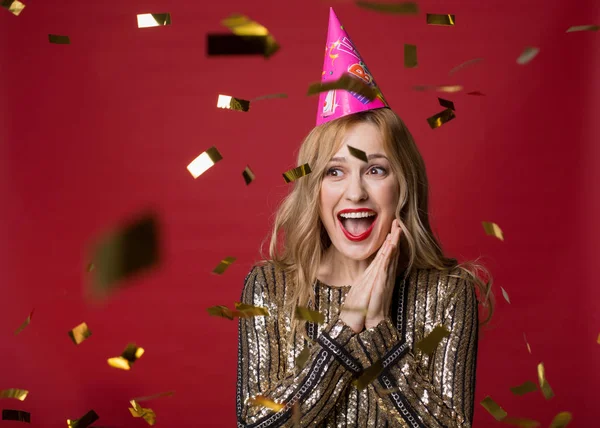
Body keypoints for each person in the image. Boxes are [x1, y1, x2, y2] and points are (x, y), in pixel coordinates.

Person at [236, 8, 493, 428]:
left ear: (402, 185)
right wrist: (345, 325)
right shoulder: (270, 287)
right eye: (334, 172)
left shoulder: (449, 293)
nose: (354, 191)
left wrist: (376, 330)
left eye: (375, 169)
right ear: (315, 188)